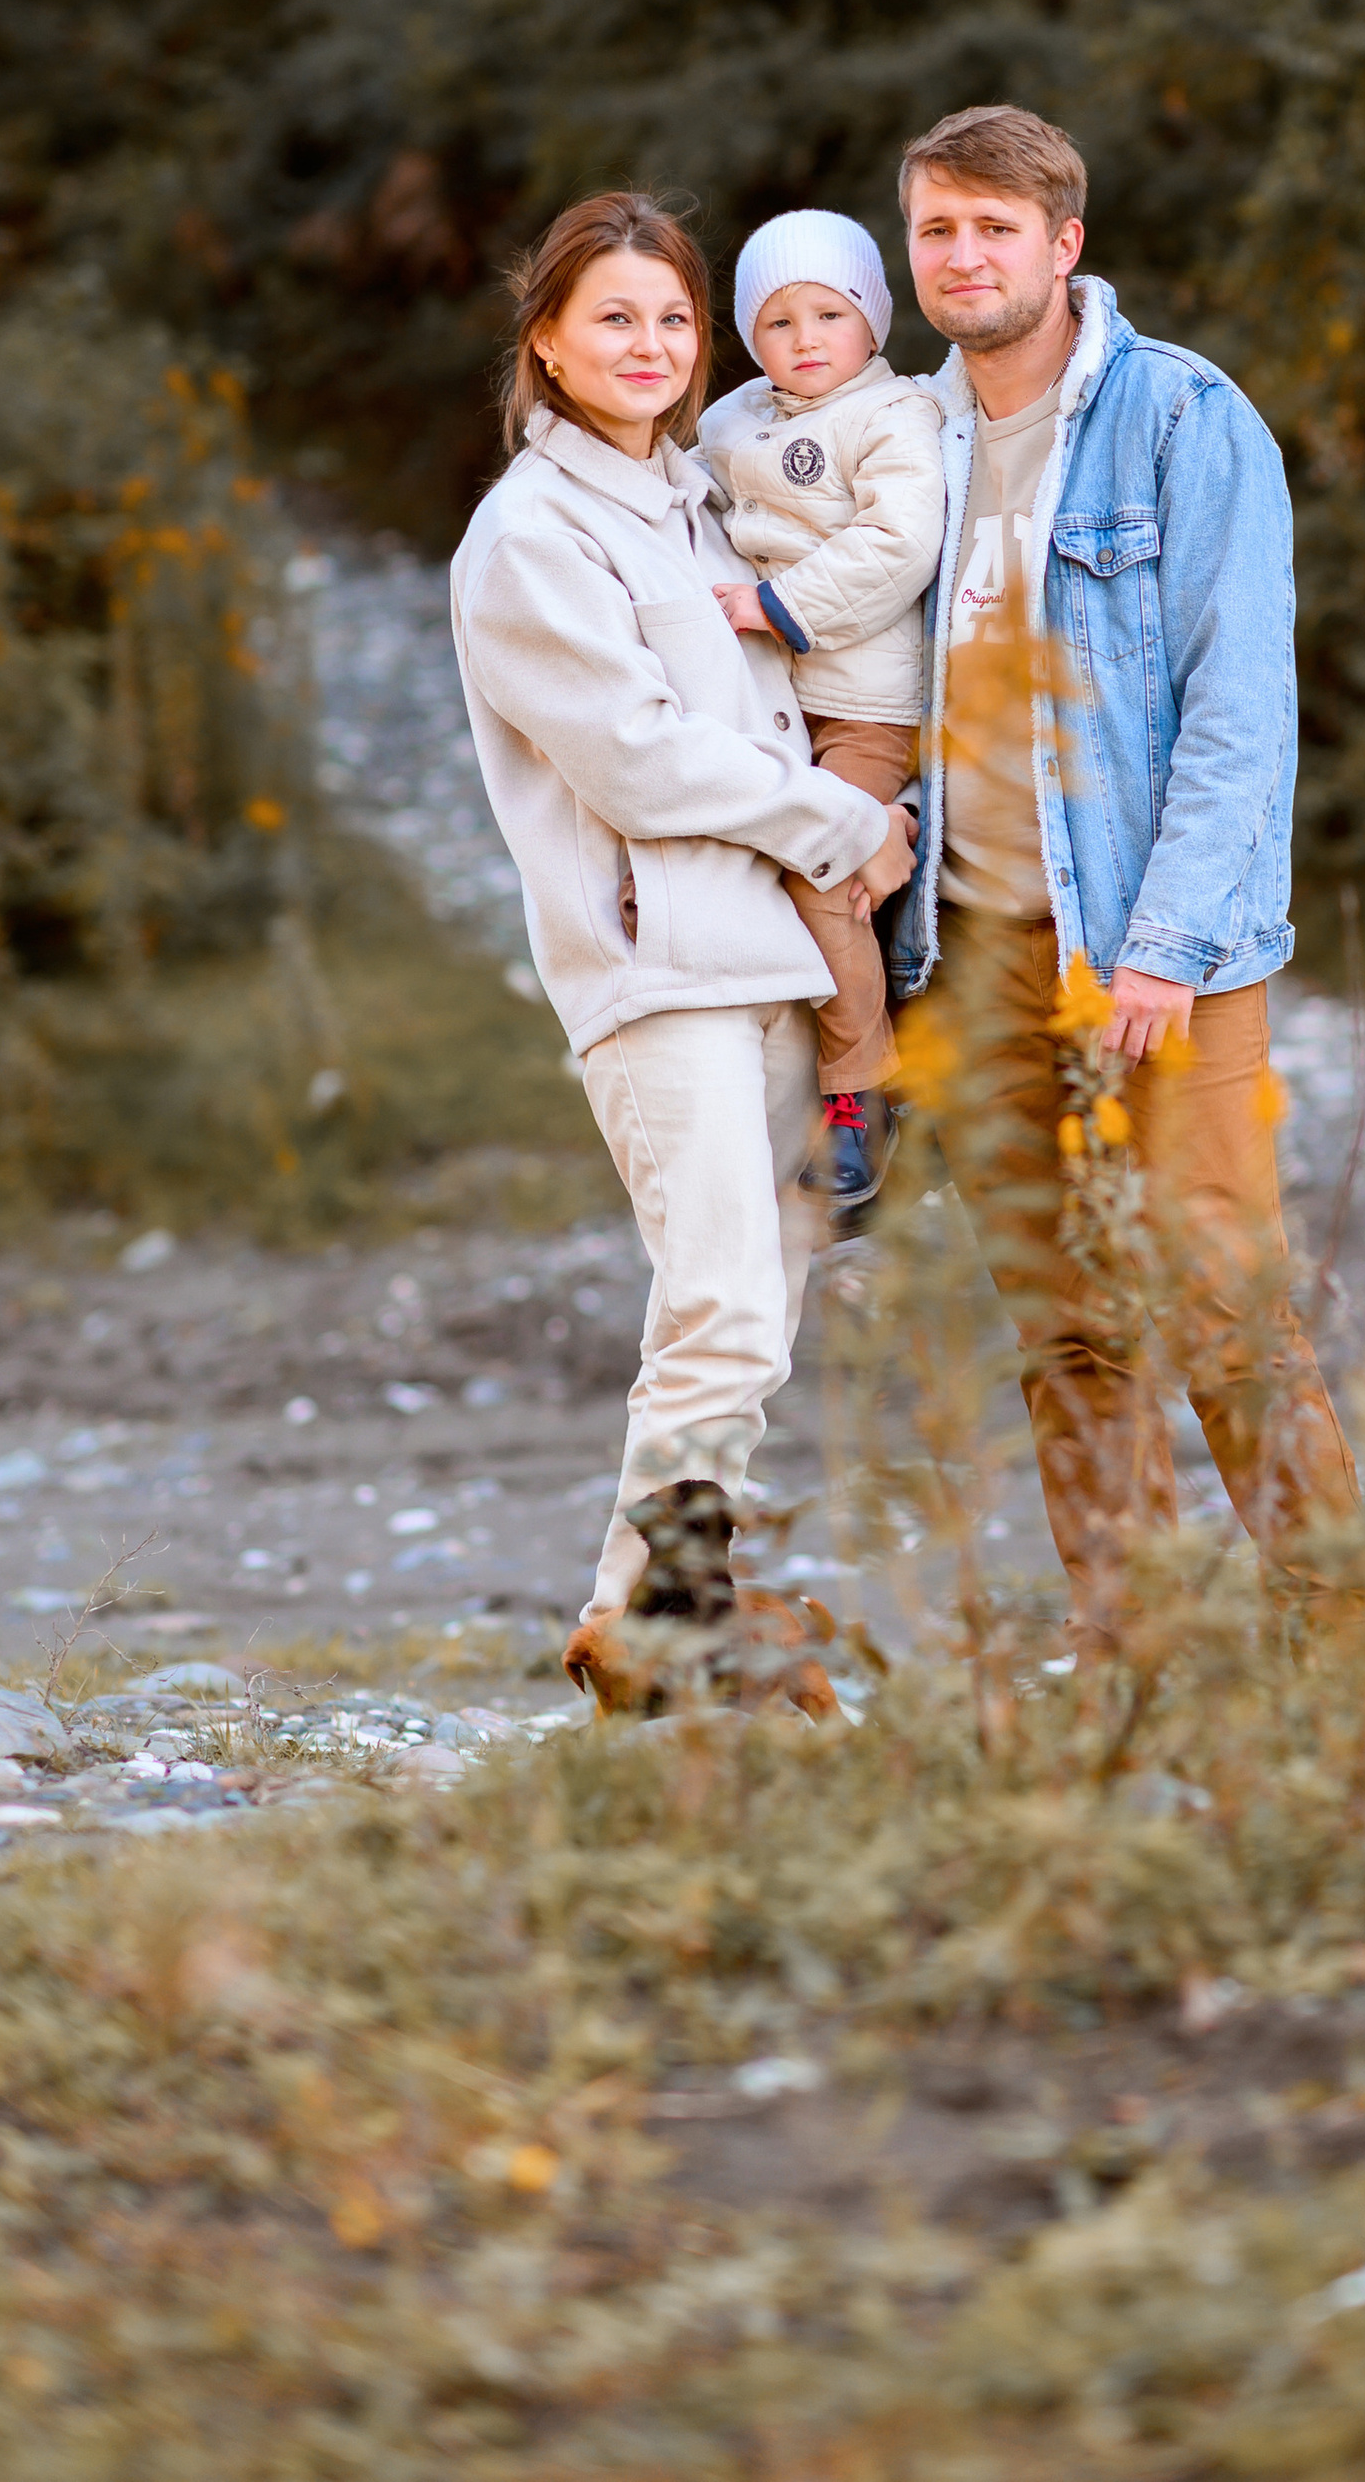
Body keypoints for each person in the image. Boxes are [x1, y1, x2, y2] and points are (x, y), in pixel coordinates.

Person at [890, 102, 1360, 1636]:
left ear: (1064, 245)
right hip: (969, 951)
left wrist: (1164, 941)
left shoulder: (1180, 415)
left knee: (1223, 1302)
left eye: (994, 228)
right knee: (1068, 1327)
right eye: (938, 229)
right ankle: (1135, 1650)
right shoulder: (905, 435)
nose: (965, 256)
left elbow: (1242, 703)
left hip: (1158, 949)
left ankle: (1355, 1640)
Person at [448, 189, 914, 1694]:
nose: (650, 344)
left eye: (672, 317)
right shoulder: (531, 534)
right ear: (547, 342)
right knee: (718, 1302)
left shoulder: (698, 496)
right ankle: (669, 1625)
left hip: (770, 953)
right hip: (662, 971)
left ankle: (646, 1629)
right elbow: (638, 758)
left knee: (752, 1315)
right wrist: (840, 823)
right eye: (614, 318)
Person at [698, 208, 943, 1217]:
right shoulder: (728, 422)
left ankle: (862, 1087)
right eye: (778, 322)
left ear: (873, 321)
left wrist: (773, 604)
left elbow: (899, 541)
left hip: (863, 709)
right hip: (768, 705)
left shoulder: (892, 417)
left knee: (820, 868)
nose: (804, 341)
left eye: (827, 315)